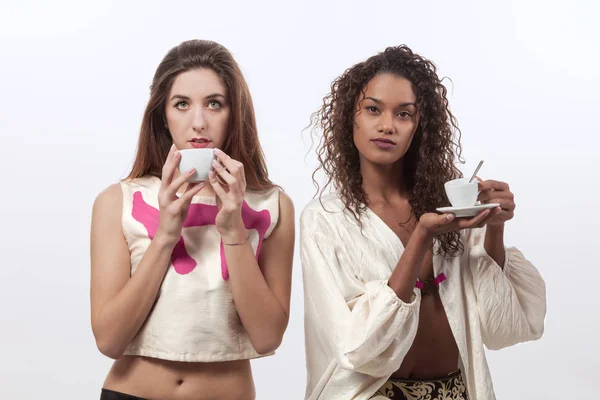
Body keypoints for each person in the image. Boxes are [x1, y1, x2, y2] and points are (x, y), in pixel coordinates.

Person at [300, 45, 546, 400]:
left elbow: (500, 326)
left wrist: (493, 225)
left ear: (419, 126)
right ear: (349, 117)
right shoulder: (325, 221)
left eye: (404, 114)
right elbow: (358, 347)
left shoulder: (449, 209)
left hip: (456, 391)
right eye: (373, 109)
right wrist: (421, 237)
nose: (387, 125)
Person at [90, 39, 294, 400]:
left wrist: (233, 231)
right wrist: (166, 234)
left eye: (214, 104)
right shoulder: (118, 201)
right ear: (162, 117)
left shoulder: (271, 205)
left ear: (234, 113)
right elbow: (109, 339)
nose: (198, 122)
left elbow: (267, 337)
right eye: (181, 104)